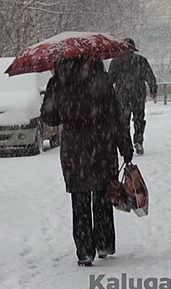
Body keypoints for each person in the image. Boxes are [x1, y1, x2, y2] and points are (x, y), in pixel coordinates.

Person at [40, 56, 133, 267]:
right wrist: (125, 146)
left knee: (79, 200)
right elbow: (116, 116)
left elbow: (49, 117)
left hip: (73, 148)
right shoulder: (101, 79)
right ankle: (103, 243)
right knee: (102, 195)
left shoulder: (58, 82)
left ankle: (84, 251)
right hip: (102, 145)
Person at [108, 38, 157, 155]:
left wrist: (108, 94)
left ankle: (127, 144)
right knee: (139, 119)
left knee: (124, 122)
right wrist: (153, 89)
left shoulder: (116, 62)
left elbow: (109, 80)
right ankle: (138, 141)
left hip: (122, 96)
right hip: (138, 95)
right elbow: (149, 76)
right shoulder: (141, 61)